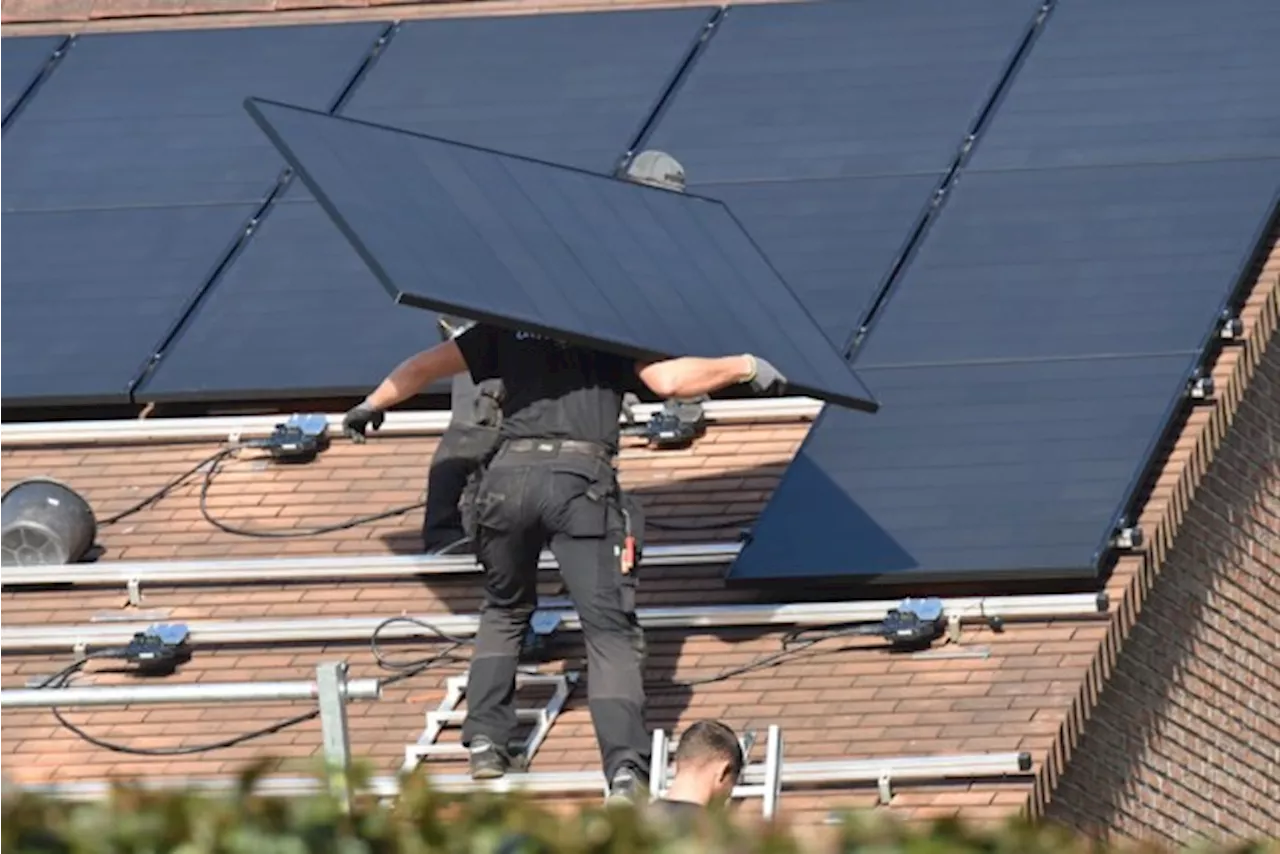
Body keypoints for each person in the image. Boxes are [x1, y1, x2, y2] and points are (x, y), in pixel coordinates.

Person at [341, 325, 787, 803]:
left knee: (504, 610)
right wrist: (744, 366)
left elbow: (423, 366)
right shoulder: (605, 327)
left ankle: (487, 744)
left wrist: (371, 404)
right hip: (579, 484)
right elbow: (670, 383)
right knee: (608, 631)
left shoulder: (506, 328)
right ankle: (623, 772)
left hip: (506, 484)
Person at [650, 720, 745, 822]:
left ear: (677, 763)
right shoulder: (714, 834)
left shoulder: (636, 825)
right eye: (728, 792)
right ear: (723, 772)